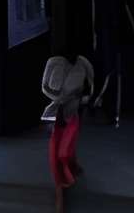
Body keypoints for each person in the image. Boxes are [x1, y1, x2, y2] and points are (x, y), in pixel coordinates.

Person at [41, 43, 96, 210]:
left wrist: (82, 99)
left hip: (72, 112)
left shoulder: (83, 65)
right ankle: (60, 193)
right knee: (54, 155)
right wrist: (59, 97)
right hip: (55, 114)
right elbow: (45, 87)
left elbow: (91, 87)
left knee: (64, 152)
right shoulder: (54, 63)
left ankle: (72, 166)